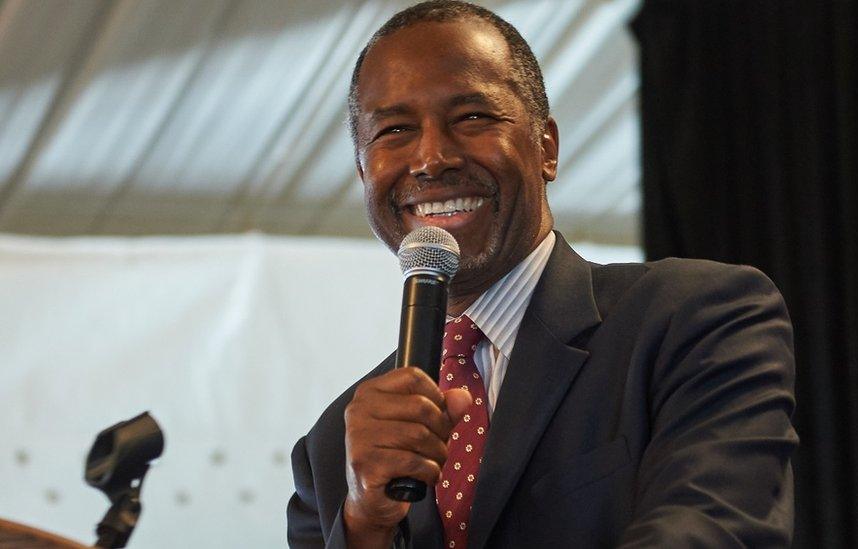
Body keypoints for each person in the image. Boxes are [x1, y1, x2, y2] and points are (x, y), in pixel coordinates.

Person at [287, 2, 798, 548]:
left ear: (546, 147)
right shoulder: (330, 451)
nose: (431, 157)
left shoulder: (696, 319)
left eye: (472, 117)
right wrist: (365, 524)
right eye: (394, 129)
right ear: (364, 171)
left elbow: (709, 531)